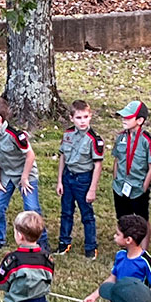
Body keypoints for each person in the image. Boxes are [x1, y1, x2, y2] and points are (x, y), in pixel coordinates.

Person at [0, 96, 46, 250]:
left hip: (25, 173)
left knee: (32, 209)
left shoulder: (15, 135)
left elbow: (30, 155)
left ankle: (42, 243)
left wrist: (25, 178)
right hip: (6, 175)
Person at [82, 214, 151, 302]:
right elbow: (113, 278)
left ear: (128, 240)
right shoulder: (120, 255)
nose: (114, 236)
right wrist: (94, 296)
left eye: (118, 234)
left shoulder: (145, 261)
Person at [54, 99, 103, 257]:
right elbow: (63, 157)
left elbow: (97, 165)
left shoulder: (94, 139)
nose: (82, 121)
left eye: (85, 117)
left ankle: (90, 247)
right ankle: (64, 243)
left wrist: (92, 189)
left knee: (87, 215)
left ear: (90, 117)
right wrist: (60, 180)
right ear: (71, 118)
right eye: (78, 118)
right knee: (66, 212)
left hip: (84, 179)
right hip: (68, 176)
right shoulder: (67, 134)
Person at [110, 99, 151, 225]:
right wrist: (116, 179)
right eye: (123, 117)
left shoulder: (146, 141)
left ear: (140, 120)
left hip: (138, 188)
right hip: (120, 186)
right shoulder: (121, 137)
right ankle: (125, 243)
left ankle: (143, 246)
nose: (124, 120)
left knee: (142, 220)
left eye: (128, 117)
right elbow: (117, 159)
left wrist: (144, 187)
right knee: (122, 218)